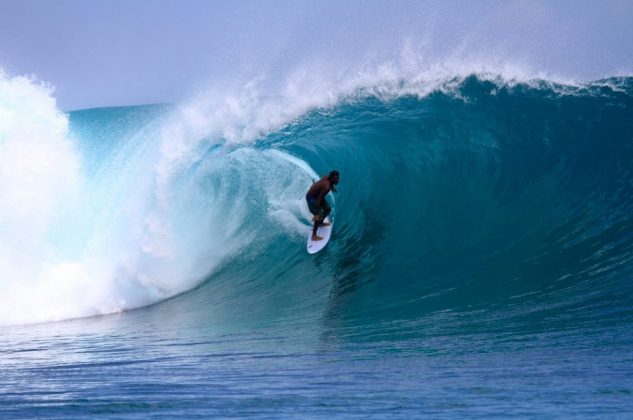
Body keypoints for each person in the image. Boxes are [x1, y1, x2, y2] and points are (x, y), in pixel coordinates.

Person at [306, 170, 340, 241]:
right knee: (319, 214)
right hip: (311, 197)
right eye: (335, 178)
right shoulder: (327, 187)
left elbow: (324, 183)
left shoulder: (327, 178)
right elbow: (319, 199)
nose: (337, 180)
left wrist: (332, 187)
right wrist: (316, 212)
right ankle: (314, 236)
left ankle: (320, 223)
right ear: (331, 178)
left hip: (316, 195)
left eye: (338, 178)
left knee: (328, 209)